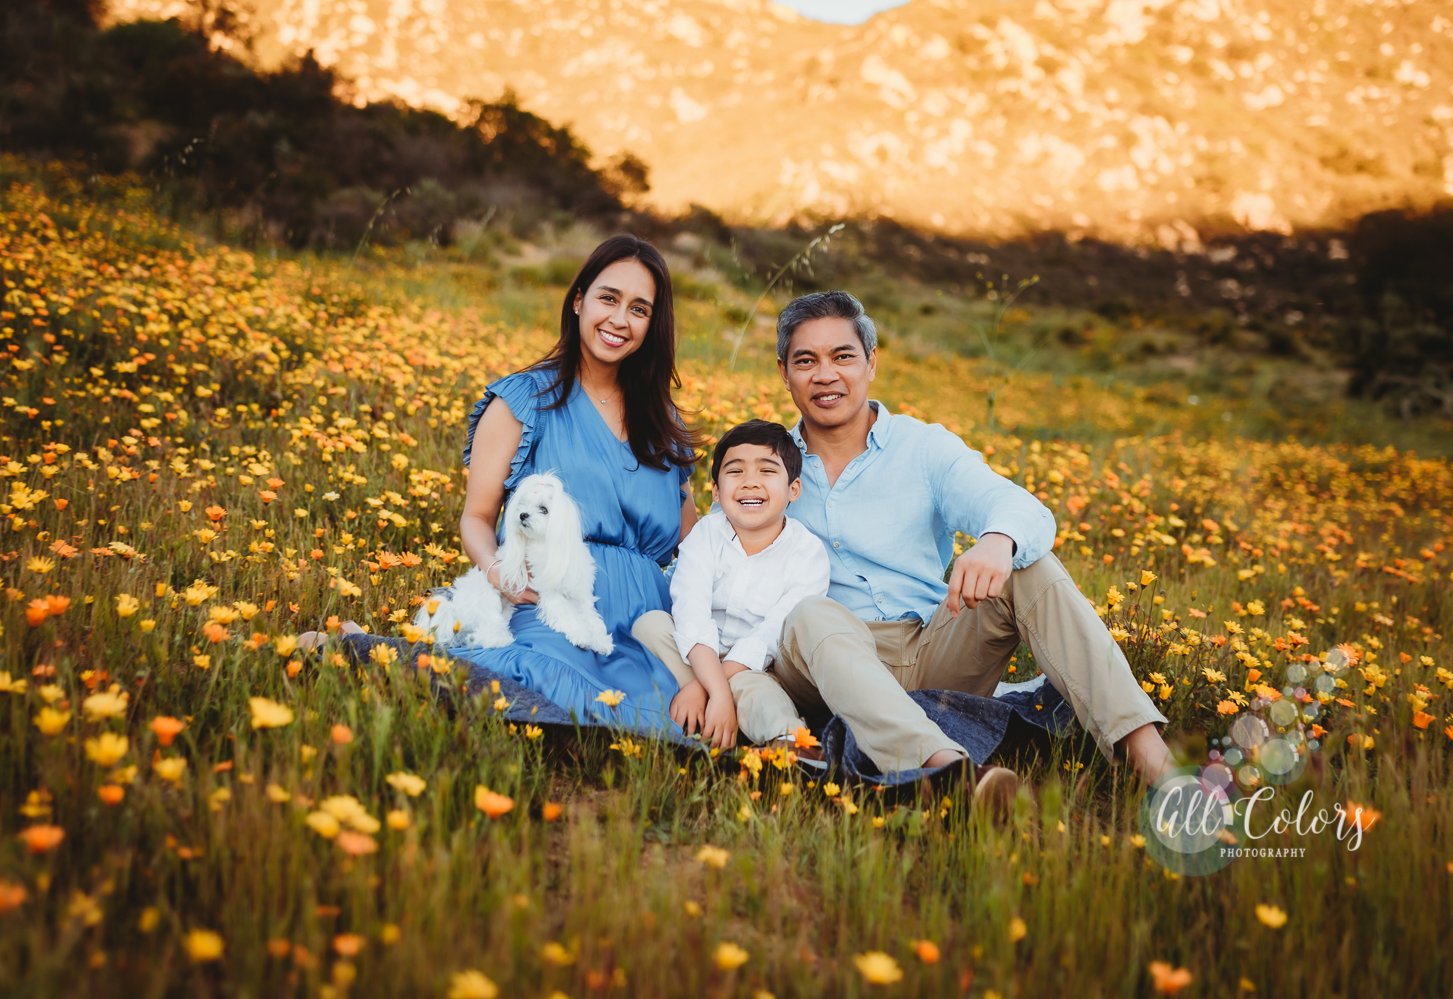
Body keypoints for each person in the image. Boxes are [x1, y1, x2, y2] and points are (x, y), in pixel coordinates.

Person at [766, 291, 1174, 782]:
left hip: (926, 649)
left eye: (843, 356)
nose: (826, 374)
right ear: (784, 373)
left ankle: (1154, 763)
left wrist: (997, 540)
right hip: (819, 662)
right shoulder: (766, 463)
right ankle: (947, 771)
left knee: (1029, 566)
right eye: (806, 360)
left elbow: (1021, 508)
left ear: (871, 363)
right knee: (811, 613)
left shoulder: (923, 447)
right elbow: (718, 552)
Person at [302, 235, 700, 729]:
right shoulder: (523, 401)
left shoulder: (664, 424)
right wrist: (499, 575)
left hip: (647, 622)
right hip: (556, 602)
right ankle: (363, 654)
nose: (620, 319)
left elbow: (694, 538)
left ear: (651, 325)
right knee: (542, 682)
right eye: (608, 298)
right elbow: (477, 517)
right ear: (578, 301)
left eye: (639, 309)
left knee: (680, 717)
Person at [632, 420, 829, 750]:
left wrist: (712, 685)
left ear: (794, 489)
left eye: (767, 471)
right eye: (736, 472)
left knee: (756, 692)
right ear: (716, 491)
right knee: (649, 625)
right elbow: (691, 612)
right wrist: (713, 685)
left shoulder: (808, 553)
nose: (750, 483)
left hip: (758, 666)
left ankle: (789, 740)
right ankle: (713, 704)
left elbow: (771, 636)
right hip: (696, 653)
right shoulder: (706, 535)